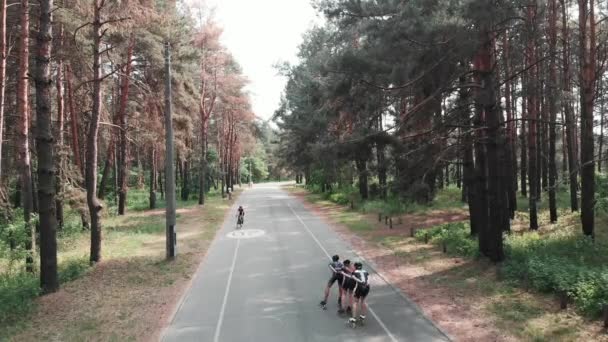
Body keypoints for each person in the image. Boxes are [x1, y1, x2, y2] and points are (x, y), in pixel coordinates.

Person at [349, 262, 370, 326]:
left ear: (355, 267)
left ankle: (354, 318)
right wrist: (365, 284)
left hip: (360, 287)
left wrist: (360, 282)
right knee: (363, 301)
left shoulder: (354, 272)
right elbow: (368, 281)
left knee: (355, 302)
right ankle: (362, 316)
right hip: (367, 287)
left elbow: (355, 279)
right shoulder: (366, 272)